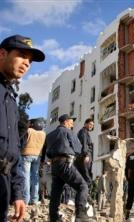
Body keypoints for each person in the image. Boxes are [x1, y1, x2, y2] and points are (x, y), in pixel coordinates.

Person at [0, 34, 45, 222]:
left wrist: (17, 193)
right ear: (3, 53)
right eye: (21, 55)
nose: (27, 63)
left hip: (4, 184)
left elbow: (13, 150)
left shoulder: (11, 97)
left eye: (30, 60)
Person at [44, 114, 91, 222]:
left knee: (56, 191)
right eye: (71, 121)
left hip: (55, 165)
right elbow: (78, 149)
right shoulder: (67, 131)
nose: (72, 123)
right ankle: (80, 215)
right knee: (82, 186)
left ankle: (53, 217)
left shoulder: (49, 135)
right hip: (65, 162)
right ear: (65, 122)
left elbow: (47, 152)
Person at [21, 118, 46, 205]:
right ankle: (35, 199)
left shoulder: (28, 131)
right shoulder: (43, 134)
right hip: (38, 156)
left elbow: (23, 143)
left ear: (32, 124)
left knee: (26, 177)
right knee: (35, 178)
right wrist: (42, 160)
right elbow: (45, 148)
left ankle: (25, 199)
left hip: (26, 155)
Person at [75, 118, 94, 187]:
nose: (91, 126)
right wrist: (86, 155)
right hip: (85, 156)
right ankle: (86, 195)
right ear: (85, 124)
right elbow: (84, 144)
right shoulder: (83, 132)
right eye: (90, 124)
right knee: (87, 177)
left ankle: (83, 195)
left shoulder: (83, 132)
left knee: (83, 177)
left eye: (92, 125)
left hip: (82, 156)